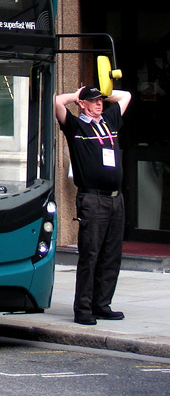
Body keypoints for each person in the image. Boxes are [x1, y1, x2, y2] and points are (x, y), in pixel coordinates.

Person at [53, 84, 132, 326]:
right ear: (83, 104)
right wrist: (76, 95)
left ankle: (102, 304)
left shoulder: (108, 121)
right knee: (90, 255)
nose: (99, 104)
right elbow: (56, 102)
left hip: (115, 198)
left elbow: (126, 96)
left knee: (111, 255)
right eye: (93, 100)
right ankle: (84, 308)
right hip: (92, 198)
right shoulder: (77, 126)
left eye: (100, 100)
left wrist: (105, 91)